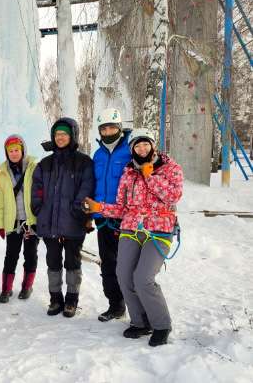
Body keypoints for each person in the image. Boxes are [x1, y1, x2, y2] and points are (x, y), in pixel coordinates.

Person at [83, 128, 183, 347]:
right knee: (123, 274)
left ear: (153, 145)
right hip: (131, 228)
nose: (142, 148)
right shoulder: (129, 172)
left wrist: (149, 175)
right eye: (137, 145)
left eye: (145, 144)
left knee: (143, 278)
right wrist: (99, 207)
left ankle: (161, 324)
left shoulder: (169, 167)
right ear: (132, 149)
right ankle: (140, 322)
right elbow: (121, 207)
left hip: (159, 229)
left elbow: (173, 195)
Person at [31, 117, 94, 318]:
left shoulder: (84, 162)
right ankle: (55, 298)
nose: (60, 138)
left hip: (74, 223)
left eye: (64, 134)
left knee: (73, 262)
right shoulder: (45, 164)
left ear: (72, 136)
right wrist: (38, 209)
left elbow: (87, 188)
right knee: (53, 261)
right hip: (49, 224)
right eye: (57, 134)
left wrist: (77, 212)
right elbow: (37, 190)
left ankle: (72, 300)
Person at [92, 108, 132, 322]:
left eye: (112, 127)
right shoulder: (97, 155)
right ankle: (115, 305)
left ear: (119, 128)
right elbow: (93, 184)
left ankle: (136, 307)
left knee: (127, 265)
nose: (108, 131)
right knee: (107, 263)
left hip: (126, 220)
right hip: (102, 219)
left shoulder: (129, 151)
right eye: (104, 128)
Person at [0, 134, 39, 303]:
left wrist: (40, 219)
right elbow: (0, 202)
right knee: (11, 255)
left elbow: (40, 195)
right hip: (13, 222)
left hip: (30, 222)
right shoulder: (2, 173)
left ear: (23, 150)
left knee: (30, 254)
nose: (14, 153)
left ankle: (27, 286)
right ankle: (6, 289)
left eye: (16, 150)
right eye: (10, 151)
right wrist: (0, 224)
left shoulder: (34, 168)